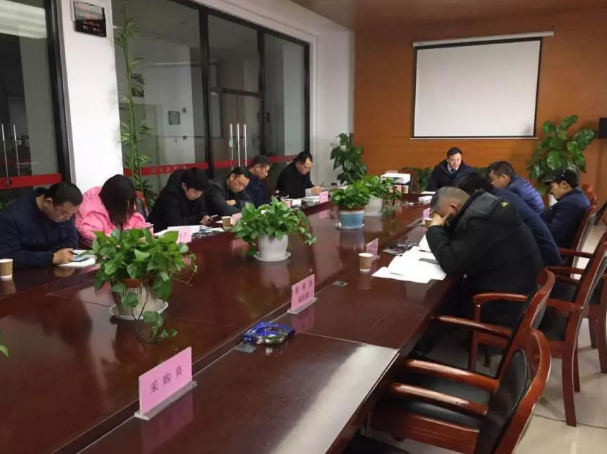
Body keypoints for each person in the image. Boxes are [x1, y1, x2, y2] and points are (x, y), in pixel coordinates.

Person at [427, 187, 543, 327]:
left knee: (439, 304)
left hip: (504, 306)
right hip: (521, 291)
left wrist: (434, 229)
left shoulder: (480, 221)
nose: (442, 220)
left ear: (454, 207)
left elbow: (450, 263)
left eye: (442, 216)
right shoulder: (487, 208)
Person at [459, 174, 561, 267]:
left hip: (543, 257)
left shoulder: (501, 202)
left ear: (476, 192)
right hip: (536, 252)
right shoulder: (499, 194)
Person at [0, 183, 82, 268]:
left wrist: (56, 256)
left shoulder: (65, 211)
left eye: (71, 214)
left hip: (56, 268)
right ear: (48, 202)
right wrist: (50, 257)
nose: (68, 218)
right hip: (23, 273)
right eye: (64, 213)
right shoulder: (11, 217)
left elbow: (71, 240)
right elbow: (8, 257)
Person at [75, 175, 148, 246]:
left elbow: (141, 226)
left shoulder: (125, 207)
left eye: (130, 200)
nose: (130, 206)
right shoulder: (93, 216)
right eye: (124, 203)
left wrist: (143, 236)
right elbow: (96, 236)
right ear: (114, 202)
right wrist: (122, 242)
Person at [147, 168, 214, 232]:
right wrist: (197, 218)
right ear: (184, 186)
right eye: (195, 192)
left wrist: (204, 217)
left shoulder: (198, 193)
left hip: (186, 231)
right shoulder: (170, 195)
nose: (198, 195)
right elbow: (175, 223)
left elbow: (201, 211)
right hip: (159, 233)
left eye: (201, 192)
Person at [541, 168, 591, 248]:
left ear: (564, 185)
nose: (551, 192)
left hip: (546, 250)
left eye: (552, 187)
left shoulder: (571, 205)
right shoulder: (575, 198)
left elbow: (553, 236)